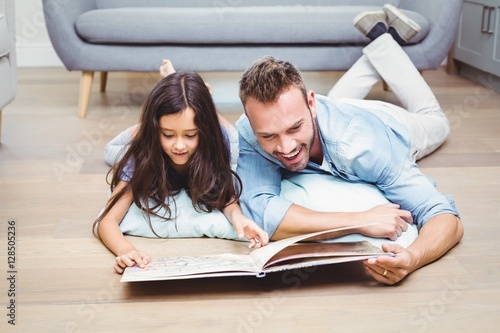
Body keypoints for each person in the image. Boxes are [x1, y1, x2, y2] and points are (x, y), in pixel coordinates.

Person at [235, 4, 464, 285]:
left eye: (295, 128)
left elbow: (443, 215)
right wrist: (358, 220)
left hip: (390, 122)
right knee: (327, 111)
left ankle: (383, 39)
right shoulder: (251, 129)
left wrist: (412, 257)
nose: (285, 147)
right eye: (268, 136)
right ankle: (383, 37)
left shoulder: (364, 144)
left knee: (437, 120)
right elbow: (262, 210)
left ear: (311, 105)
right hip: (336, 110)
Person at [94, 66, 268, 274]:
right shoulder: (143, 153)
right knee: (111, 152)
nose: (179, 146)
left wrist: (238, 218)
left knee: (239, 147)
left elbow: (225, 194)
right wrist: (126, 250)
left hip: (218, 134)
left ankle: (207, 106)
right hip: (144, 136)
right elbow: (107, 220)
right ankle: (155, 121)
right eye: (168, 135)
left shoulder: (217, 141)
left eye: (190, 135)